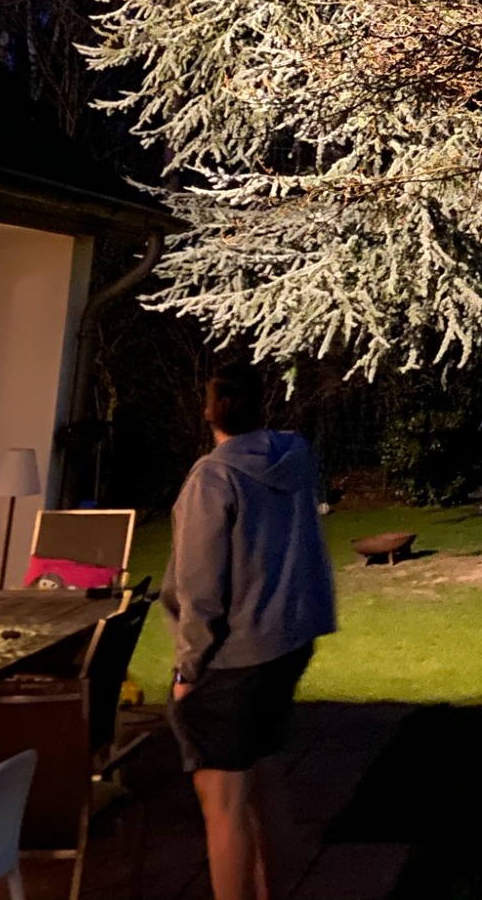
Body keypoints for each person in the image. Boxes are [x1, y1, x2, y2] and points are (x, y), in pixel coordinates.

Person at [162, 368, 337, 900]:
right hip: (289, 641)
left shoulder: (212, 480)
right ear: (261, 406)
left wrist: (188, 668)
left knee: (221, 801)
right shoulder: (294, 458)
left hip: (237, 658)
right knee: (263, 778)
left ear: (209, 411)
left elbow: (199, 588)